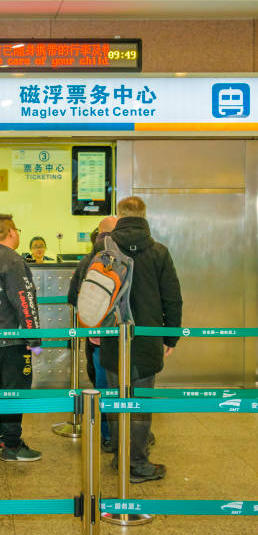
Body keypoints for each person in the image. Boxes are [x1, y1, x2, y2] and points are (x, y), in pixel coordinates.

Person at [100, 197, 182, 483]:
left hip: (112, 336)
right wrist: (170, 336)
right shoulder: (159, 252)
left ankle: (120, 458)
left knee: (115, 398)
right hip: (147, 338)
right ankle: (137, 464)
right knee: (140, 402)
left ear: (119, 216)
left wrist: (97, 329)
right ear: (144, 215)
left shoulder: (104, 250)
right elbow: (172, 297)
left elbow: (79, 293)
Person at [0, 213, 42, 462]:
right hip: (12, 341)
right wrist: (34, 341)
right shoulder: (13, 261)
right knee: (15, 392)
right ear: (12, 232)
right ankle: (13, 446)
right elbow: (25, 302)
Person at [68, 216, 118, 451]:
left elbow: (72, 295)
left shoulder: (89, 258)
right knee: (120, 387)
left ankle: (103, 434)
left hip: (95, 336)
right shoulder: (123, 256)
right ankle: (115, 435)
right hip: (122, 337)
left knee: (100, 386)